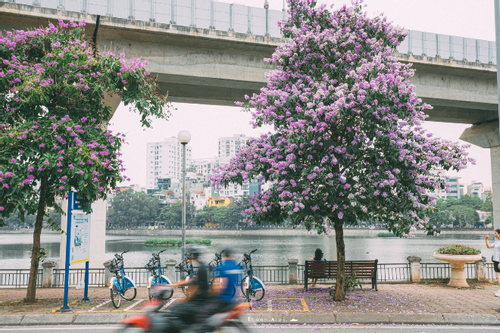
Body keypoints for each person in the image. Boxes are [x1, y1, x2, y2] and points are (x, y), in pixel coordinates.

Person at [165, 245, 209, 333]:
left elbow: (196, 287)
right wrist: (177, 283)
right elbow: (195, 280)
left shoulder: (202, 268)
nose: (189, 258)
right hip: (200, 300)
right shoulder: (202, 266)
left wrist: (187, 300)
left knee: (175, 312)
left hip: (198, 302)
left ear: (194, 256)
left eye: (191, 256)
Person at [486, 229, 500, 296]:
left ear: (499, 234)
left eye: (496, 233)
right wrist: (486, 240)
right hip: (495, 260)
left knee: (498, 277)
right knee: (498, 277)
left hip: (498, 261)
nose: (495, 234)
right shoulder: (496, 242)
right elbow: (488, 246)